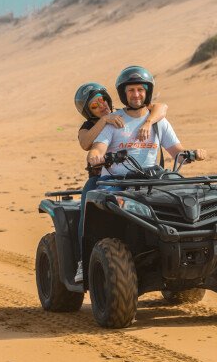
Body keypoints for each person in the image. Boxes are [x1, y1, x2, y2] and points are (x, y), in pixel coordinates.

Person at [77, 66, 207, 282]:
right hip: (115, 182)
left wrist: (194, 153)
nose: (136, 95)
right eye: (131, 91)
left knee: (187, 202)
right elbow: (96, 147)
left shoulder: (159, 122)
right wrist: (95, 156)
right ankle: (85, 261)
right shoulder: (113, 121)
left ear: (146, 91)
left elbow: (177, 152)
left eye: (140, 90)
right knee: (96, 215)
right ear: (123, 94)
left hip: (152, 181)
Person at [74, 81, 168, 282]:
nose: (101, 105)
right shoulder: (89, 125)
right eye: (94, 105)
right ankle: (83, 261)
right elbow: (85, 143)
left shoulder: (126, 113)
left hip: (140, 176)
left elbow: (161, 108)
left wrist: (148, 121)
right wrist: (105, 120)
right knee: (86, 211)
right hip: (101, 179)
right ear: (87, 112)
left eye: (102, 100)